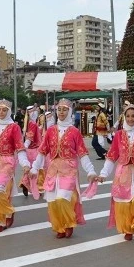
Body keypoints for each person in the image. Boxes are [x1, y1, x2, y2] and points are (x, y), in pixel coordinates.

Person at [30, 98, 97, 238]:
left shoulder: (74, 132)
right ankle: (59, 226)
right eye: (59, 109)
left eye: (64, 109)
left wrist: (90, 171)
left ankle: (68, 222)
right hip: (53, 170)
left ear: (70, 111)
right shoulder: (51, 130)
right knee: (52, 201)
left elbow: (82, 153)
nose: (61, 112)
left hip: (69, 169)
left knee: (63, 198)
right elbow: (42, 151)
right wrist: (34, 168)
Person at [94, 104, 134, 241]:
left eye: (133, 116)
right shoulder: (119, 135)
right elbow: (112, 157)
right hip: (122, 173)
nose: (130, 119)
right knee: (122, 202)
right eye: (128, 116)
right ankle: (127, 228)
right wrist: (103, 174)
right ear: (124, 118)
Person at [0, 99, 30, 233]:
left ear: (9, 111)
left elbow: (19, 148)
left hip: (7, 161)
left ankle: (9, 211)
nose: (1, 112)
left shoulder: (14, 127)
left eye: (4, 110)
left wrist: (25, 163)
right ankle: (2, 221)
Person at [20, 104, 43, 197]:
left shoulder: (28, 122)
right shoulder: (32, 123)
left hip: (29, 150)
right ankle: (35, 188)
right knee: (35, 169)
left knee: (29, 169)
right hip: (34, 149)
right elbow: (30, 136)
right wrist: (25, 145)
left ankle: (25, 183)